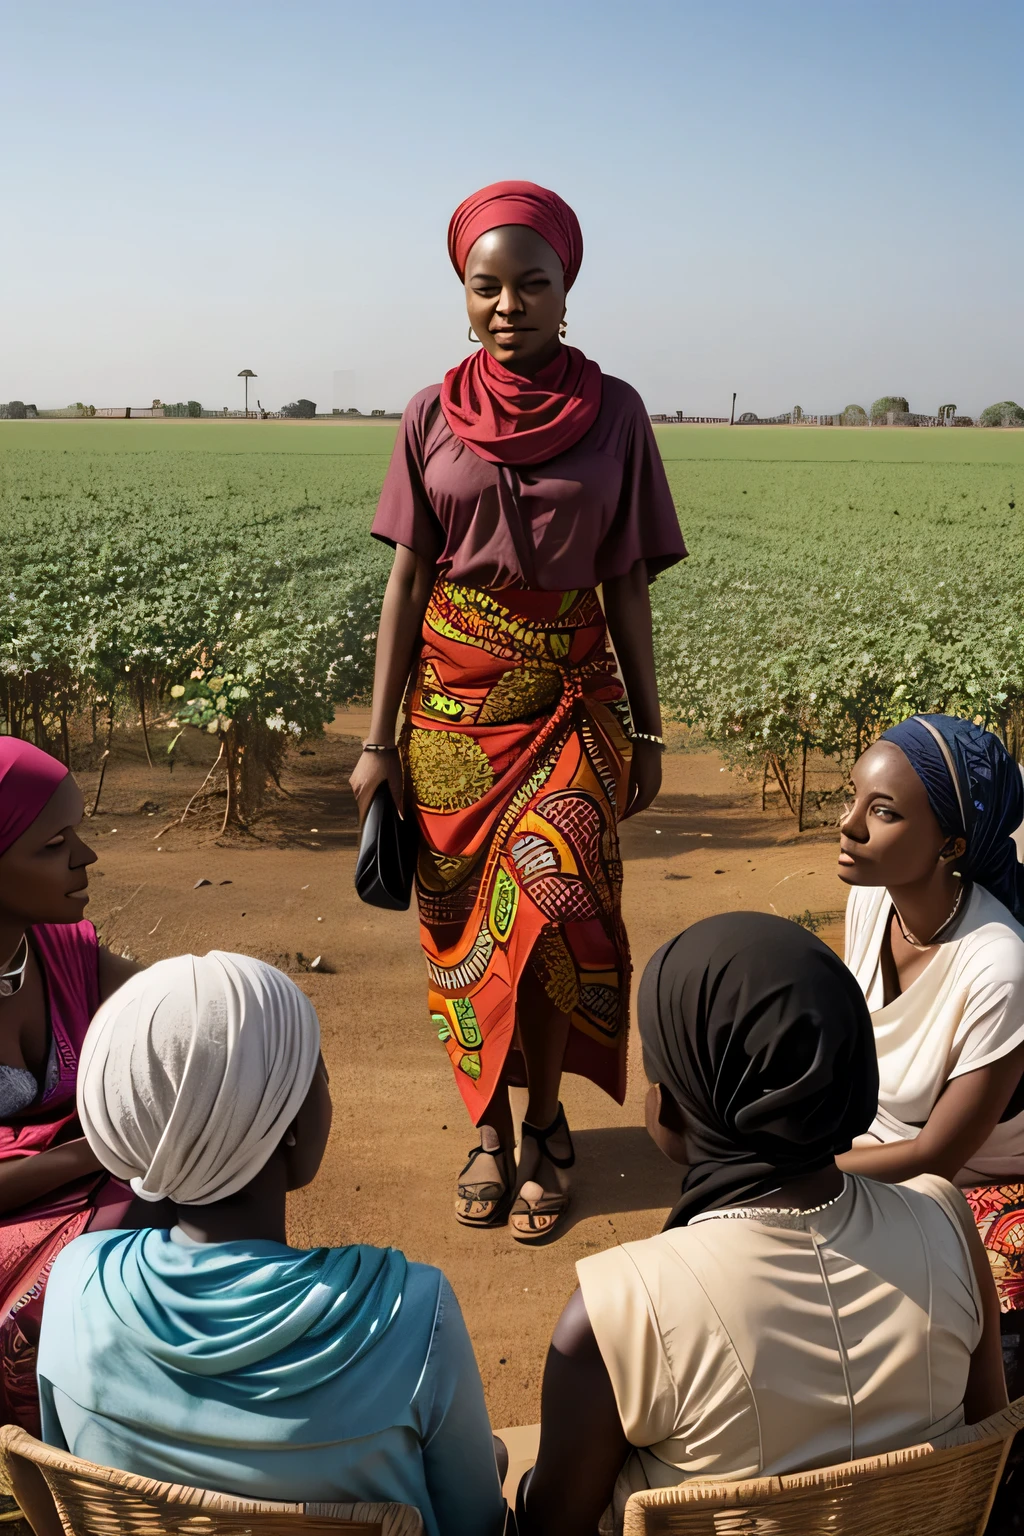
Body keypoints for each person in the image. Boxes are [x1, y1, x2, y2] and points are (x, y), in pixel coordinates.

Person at [351, 180, 686, 1241]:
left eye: (530, 283)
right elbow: (406, 583)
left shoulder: (617, 413)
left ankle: (548, 1123)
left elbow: (625, 578)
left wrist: (646, 721)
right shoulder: (427, 415)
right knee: (460, 935)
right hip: (451, 719)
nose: (507, 305)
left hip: (571, 703)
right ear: (462, 291)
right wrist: (377, 740)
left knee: (555, 913)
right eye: (484, 286)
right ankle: (488, 1128)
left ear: (564, 288)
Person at [518, 913, 1006, 1536]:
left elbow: (552, 1522)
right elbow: (986, 1435)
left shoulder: (617, 1307)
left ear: (678, 1104)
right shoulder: (944, 1223)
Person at [38, 951, 506, 1536]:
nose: (327, 1093)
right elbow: (478, 1525)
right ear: (284, 1124)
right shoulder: (411, 1312)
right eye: (318, 1076)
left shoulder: (75, 1284)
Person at [837, 714, 1024, 1401]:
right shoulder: (870, 902)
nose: (849, 825)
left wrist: (795, 1172)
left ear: (951, 843)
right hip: (875, 1156)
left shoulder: (999, 964)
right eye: (851, 796)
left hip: (975, 1184)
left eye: (881, 812)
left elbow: (935, 1157)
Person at [0, 738, 157, 1435]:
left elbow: (181, 1007)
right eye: (54, 844)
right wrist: (102, 1151)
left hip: (67, 1215)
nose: (85, 858)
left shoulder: (66, 956)